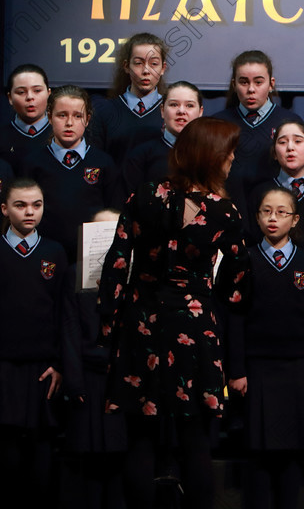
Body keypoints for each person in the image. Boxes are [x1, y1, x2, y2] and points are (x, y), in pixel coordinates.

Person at [98, 117, 252, 509]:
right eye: (227, 151)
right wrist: (204, 294)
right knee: (195, 437)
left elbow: (116, 268)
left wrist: (108, 327)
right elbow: (238, 283)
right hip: (193, 326)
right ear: (210, 156)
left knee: (140, 437)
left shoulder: (143, 195)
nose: (232, 158)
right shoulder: (225, 211)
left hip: (141, 321)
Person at [227, 187, 304, 509]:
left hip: (296, 367)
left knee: (292, 450)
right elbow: (234, 318)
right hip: (257, 368)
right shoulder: (245, 260)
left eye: (281, 212)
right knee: (259, 449)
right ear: (257, 217)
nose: (273, 218)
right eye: (266, 211)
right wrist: (237, 370)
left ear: (295, 220)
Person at [0, 178, 67, 509]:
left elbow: (62, 314)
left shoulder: (55, 252)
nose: (29, 212)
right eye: (20, 205)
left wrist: (59, 363)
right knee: (7, 448)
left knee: (42, 448)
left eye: (36, 205)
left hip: (44, 367)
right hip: (4, 365)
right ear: (4, 209)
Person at [61, 208, 128, 509]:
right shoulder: (76, 273)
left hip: (125, 379)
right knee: (89, 462)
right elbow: (70, 330)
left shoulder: (136, 274)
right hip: (89, 377)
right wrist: (74, 383)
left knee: (121, 463)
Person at [20, 85, 118, 262]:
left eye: (77, 116)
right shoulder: (33, 162)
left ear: (87, 119)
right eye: (62, 115)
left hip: (90, 258)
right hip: (44, 256)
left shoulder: (103, 163)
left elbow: (113, 212)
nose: (69, 123)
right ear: (49, 117)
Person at [212, 50, 302, 215]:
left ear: (271, 83)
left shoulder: (289, 122)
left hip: (276, 215)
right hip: (227, 213)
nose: (251, 89)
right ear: (234, 84)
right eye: (244, 82)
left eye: (258, 82)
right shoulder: (218, 123)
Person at [249, 119, 304, 257]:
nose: (290, 148)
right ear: (275, 153)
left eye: (298, 141)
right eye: (282, 142)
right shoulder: (260, 193)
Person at [88, 33, 168, 168]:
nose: (146, 70)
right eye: (138, 63)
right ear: (126, 66)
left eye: (154, 63)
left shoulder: (171, 112)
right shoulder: (105, 111)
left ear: (163, 68)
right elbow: (95, 163)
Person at [121, 81, 204, 201]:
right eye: (174, 105)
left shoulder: (212, 154)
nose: (181, 111)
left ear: (200, 112)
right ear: (162, 110)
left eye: (189, 105)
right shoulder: (140, 156)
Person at [1, 64, 52, 172]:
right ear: (10, 98)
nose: (30, 97)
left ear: (48, 93)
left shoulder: (65, 135)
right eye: (21, 92)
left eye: (37, 91)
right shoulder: (2, 137)